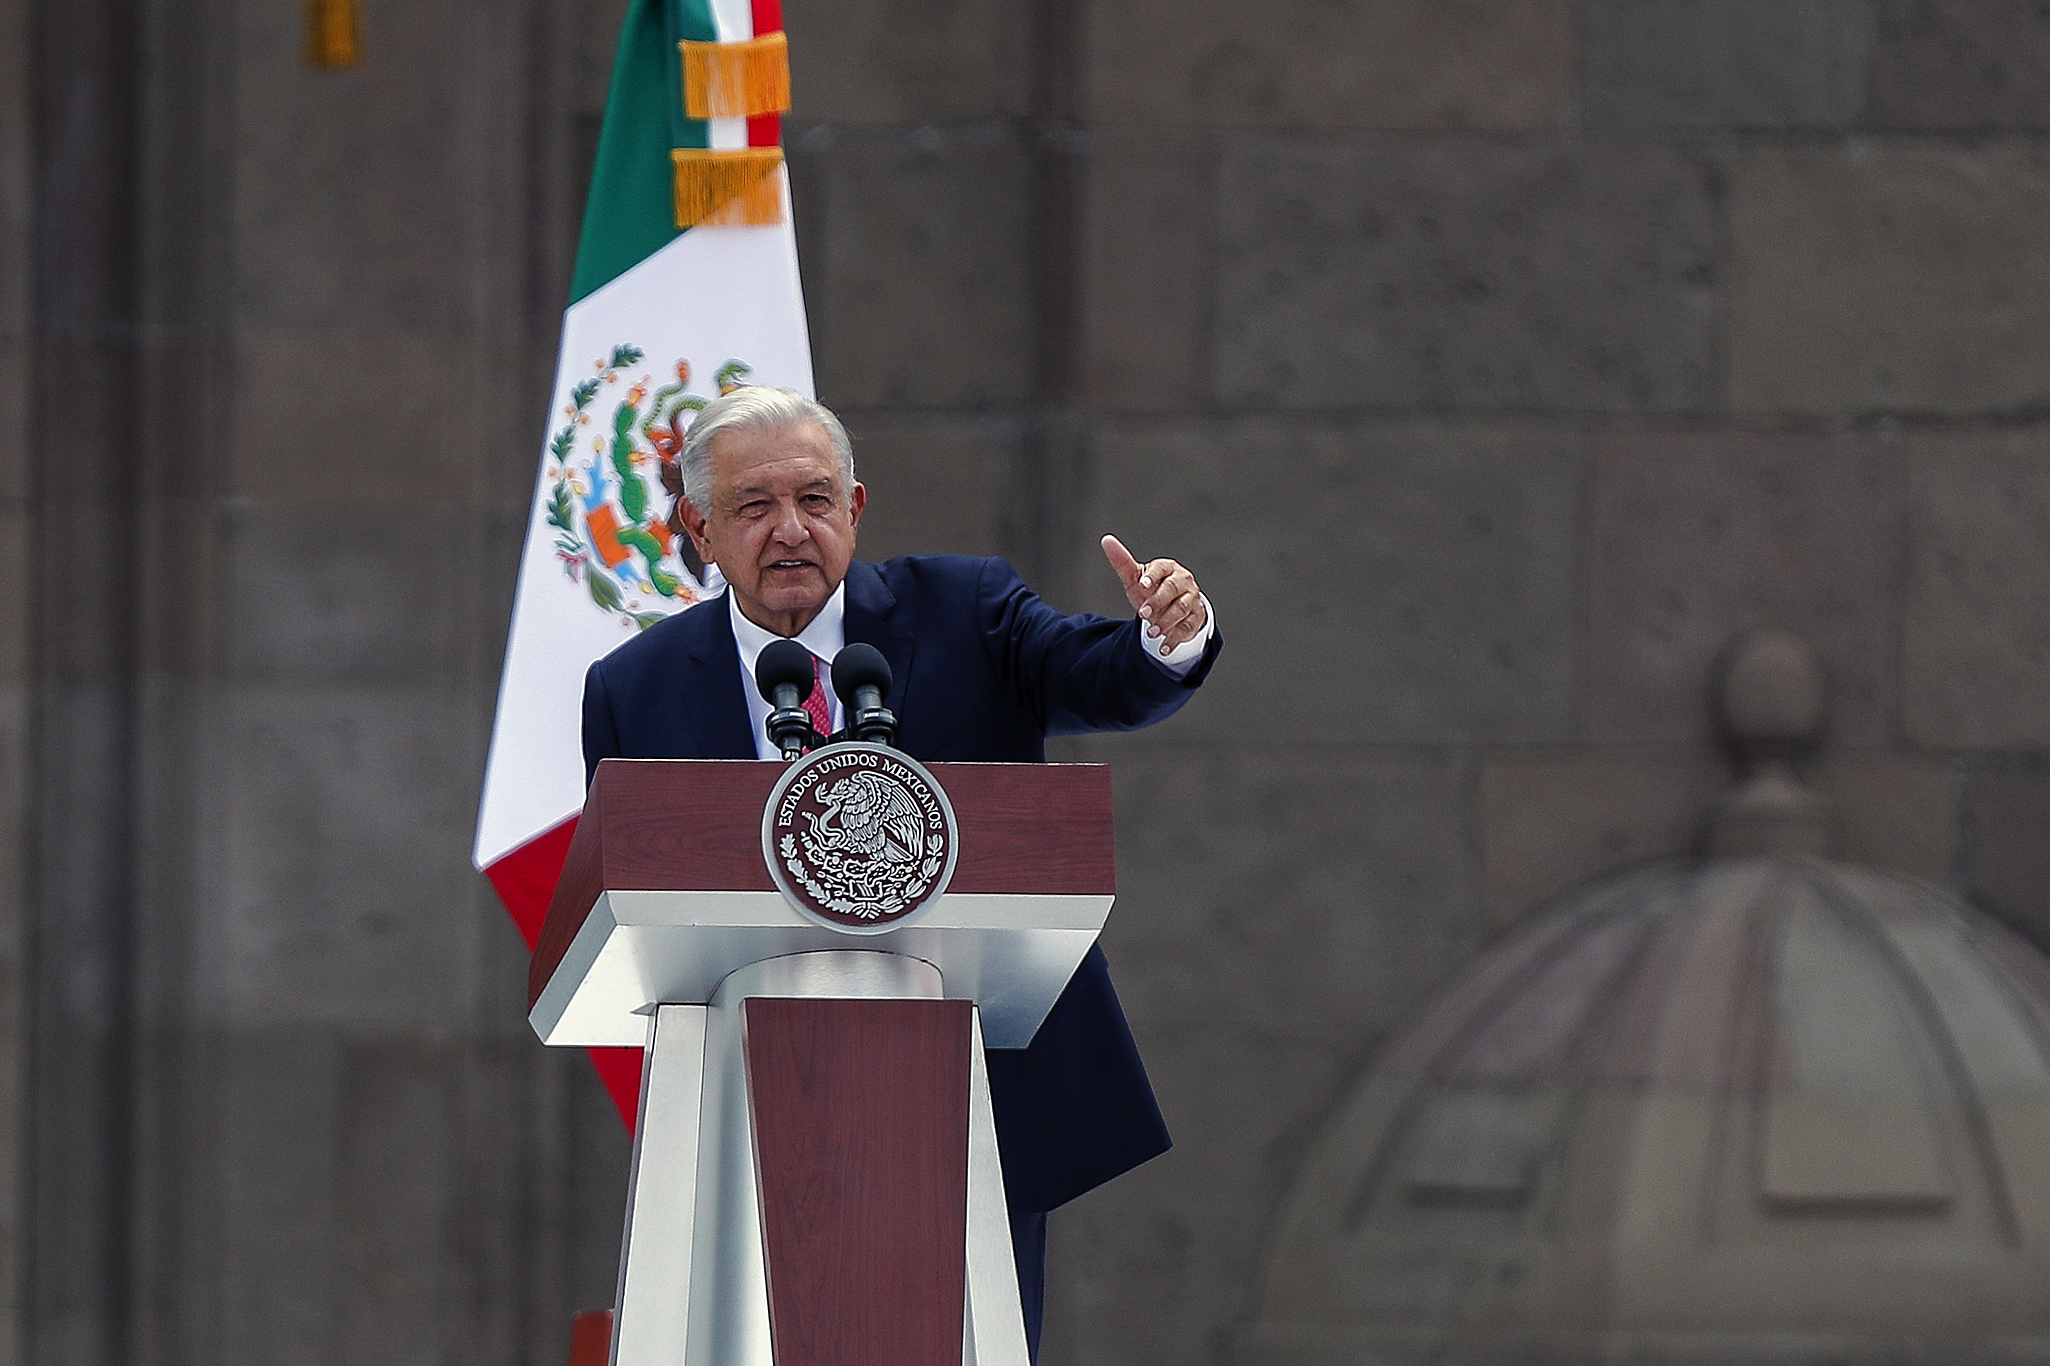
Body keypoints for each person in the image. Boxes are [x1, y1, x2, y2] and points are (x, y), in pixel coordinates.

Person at [581, 386, 1220, 1357]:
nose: (790, 530)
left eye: (815, 499)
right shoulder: (635, 688)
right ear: (699, 531)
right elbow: (622, 896)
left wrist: (1163, 640)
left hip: (974, 1088)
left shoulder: (963, 610)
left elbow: (1093, 672)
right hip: (742, 1109)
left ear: (856, 509)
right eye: (754, 507)